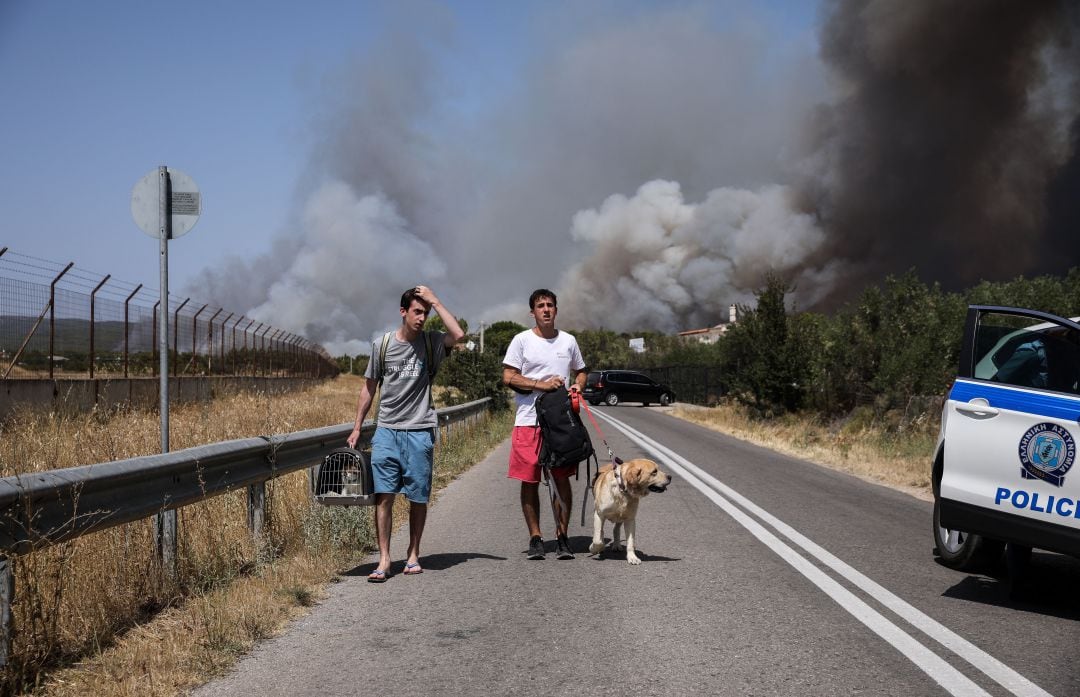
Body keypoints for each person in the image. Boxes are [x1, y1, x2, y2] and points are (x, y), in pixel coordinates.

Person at [347, 285, 465, 582]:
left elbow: (459, 336)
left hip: (420, 429)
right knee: (384, 496)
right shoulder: (382, 345)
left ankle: (413, 553)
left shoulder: (432, 342)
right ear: (403, 312)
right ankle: (385, 559)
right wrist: (358, 426)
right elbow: (369, 387)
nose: (422, 318)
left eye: (425, 313)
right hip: (387, 429)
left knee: (418, 497)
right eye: (417, 311)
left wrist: (435, 300)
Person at [502, 289, 588, 560]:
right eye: (540, 306)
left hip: (561, 422)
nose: (546, 309)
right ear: (533, 312)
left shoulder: (568, 341)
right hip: (528, 422)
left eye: (550, 305)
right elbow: (509, 376)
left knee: (561, 478)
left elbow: (582, 370)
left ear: (556, 310)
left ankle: (562, 536)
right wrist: (540, 385)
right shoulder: (521, 340)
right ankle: (536, 537)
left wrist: (578, 385)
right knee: (529, 479)